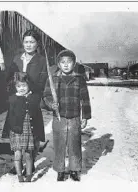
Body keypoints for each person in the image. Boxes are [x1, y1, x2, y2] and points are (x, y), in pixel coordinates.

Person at [2, 29, 48, 174]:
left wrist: (31, 92)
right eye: (26, 41)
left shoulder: (41, 60)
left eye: (32, 42)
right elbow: (9, 78)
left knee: (32, 133)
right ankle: (17, 164)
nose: (28, 45)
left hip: (32, 99)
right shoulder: (17, 59)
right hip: (17, 101)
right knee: (16, 131)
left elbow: (42, 82)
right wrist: (14, 91)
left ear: (37, 43)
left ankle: (31, 162)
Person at [43, 49, 92, 181]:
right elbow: (46, 96)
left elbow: (85, 98)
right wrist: (50, 104)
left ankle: (75, 169)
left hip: (74, 117)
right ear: (58, 64)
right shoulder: (53, 79)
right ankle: (60, 169)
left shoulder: (79, 78)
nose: (66, 65)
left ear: (74, 63)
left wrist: (85, 116)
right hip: (59, 117)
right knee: (59, 145)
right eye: (62, 62)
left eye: (69, 62)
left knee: (74, 144)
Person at [8, 72, 41, 182]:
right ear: (15, 87)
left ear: (29, 85)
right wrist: (10, 130)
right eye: (18, 86)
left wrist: (38, 132)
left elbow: (38, 117)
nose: (21, 88)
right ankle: (19, 176)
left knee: (28, 154)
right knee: (17, 154)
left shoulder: (33, 98)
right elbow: (9, 117)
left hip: (29, 130)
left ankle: (28, 175)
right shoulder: (12, 99)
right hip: (17, 131)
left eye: (24, 86)